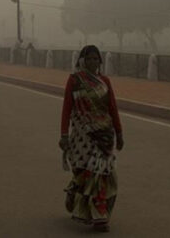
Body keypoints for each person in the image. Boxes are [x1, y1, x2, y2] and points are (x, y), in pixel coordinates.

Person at [59, 45, 124, 232]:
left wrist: (119, 132)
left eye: (96, 59)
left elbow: (112, 107)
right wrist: (64, 135)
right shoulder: (74, 80)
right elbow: (67, 108)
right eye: (89, 59)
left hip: (104, 134)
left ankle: (99, 216)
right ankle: (74, 191)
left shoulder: (105, 81)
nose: (93, 62)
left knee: (101, 174)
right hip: (82, 134)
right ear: (82, 61)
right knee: (84, 172)